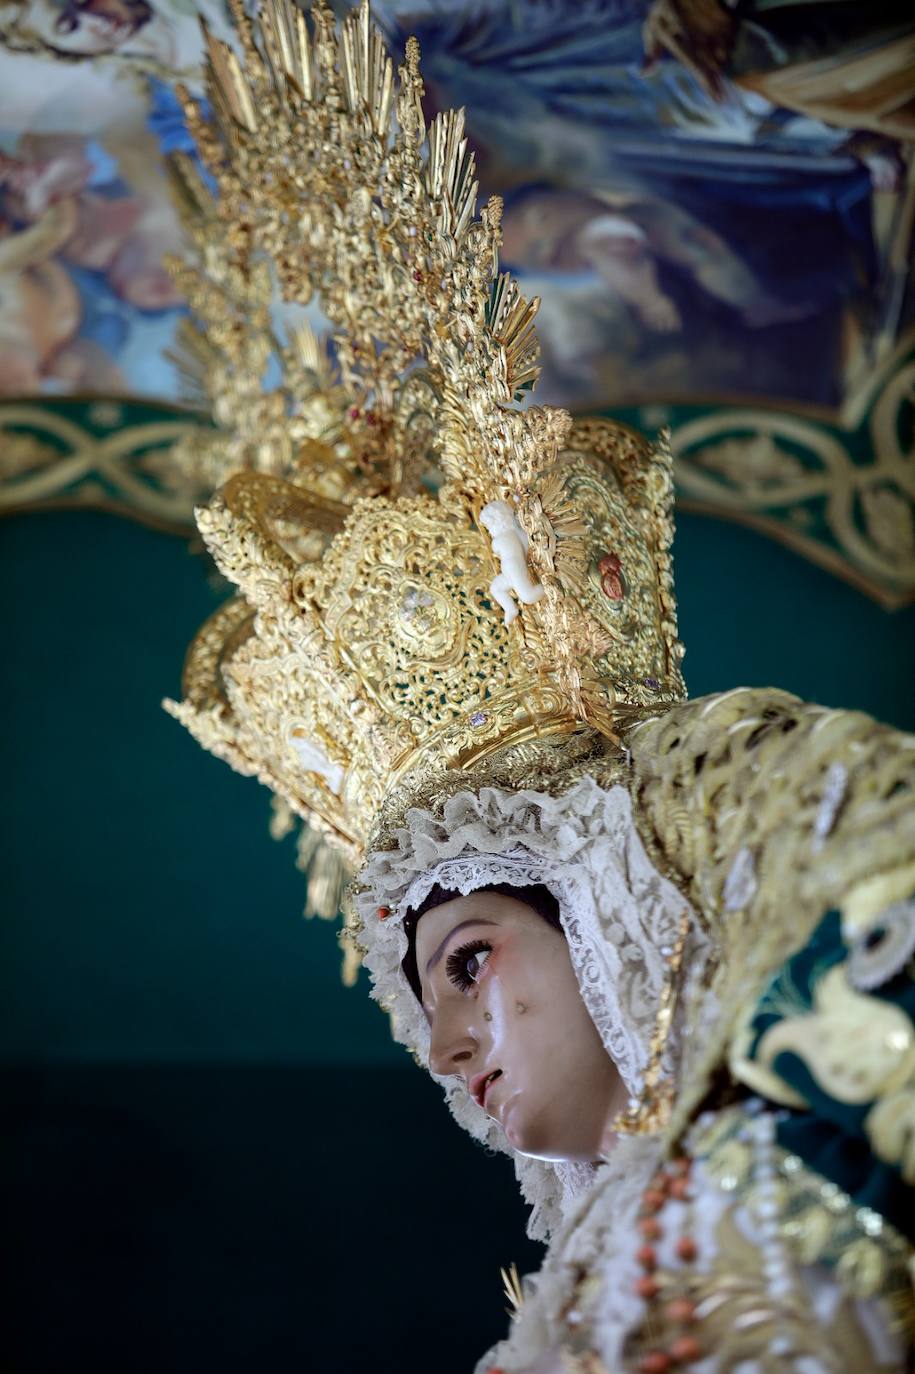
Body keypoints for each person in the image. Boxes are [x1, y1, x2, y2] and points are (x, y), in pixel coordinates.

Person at [164, 2, 915, 1369]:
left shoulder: (746, 1193)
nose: (451, 1051)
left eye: (469, 962)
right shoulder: (572, 1281)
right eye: (429, 1010)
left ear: (609, 908)